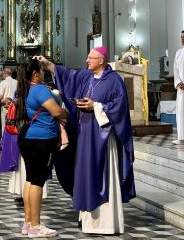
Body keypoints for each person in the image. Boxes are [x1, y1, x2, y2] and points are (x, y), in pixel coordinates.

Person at [36, 48, 136, 235]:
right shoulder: (87, 77)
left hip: (103, 140)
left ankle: (106, 223)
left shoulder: (114, 81)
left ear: (101, 60)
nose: (86, 60)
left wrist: (96, 106)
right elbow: (68, 75)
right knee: (86, 175)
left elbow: (120, 108)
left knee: (102, 176)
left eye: (90, 57)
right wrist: (48, 64)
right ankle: (89, 221)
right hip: (85, 138)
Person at [16, 58, 68, 237]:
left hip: (28, 137)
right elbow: (55, 111)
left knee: (30, 179)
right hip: (42, 140)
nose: (45, 73)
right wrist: (68, 113)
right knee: (37, 181)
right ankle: (36, 227)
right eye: (43, 70)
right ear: (36, 74)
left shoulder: (25, 89)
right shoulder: (39, 89)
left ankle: (28, 223)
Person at [0, 68, 17, 135]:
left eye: (2, 73)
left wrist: (0, 98)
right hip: (15, 106)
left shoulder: (3, 82)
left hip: (6, 106)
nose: (2, 75)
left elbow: (0, 96)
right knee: (14, 124)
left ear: (6, 73)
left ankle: (4, 142)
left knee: (4, 124)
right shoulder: (16, 82)